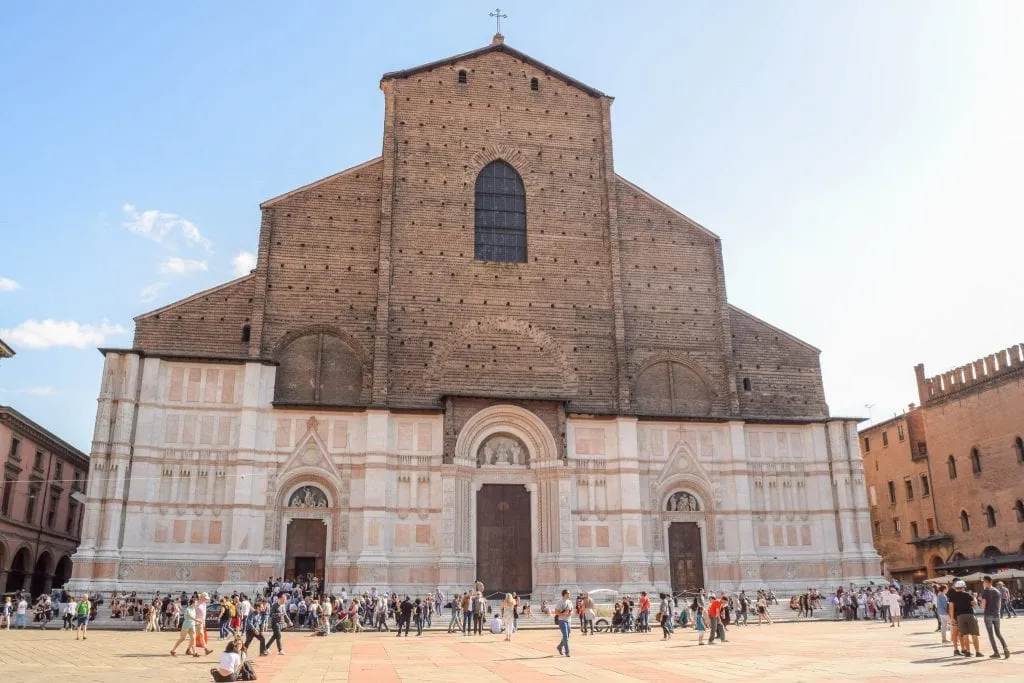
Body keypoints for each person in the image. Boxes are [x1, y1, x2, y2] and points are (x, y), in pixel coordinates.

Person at [948, 580, 982, 658]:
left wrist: (952, 618)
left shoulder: (952, 596)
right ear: (963, 587)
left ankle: (968, 652)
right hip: (970, 615)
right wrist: (975, 597)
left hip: (959, 617)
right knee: (974, 634)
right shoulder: (967, 595)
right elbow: (975, 604)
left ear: (956, 587)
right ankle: (977, 652)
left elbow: (951, 607)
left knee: (965, 635)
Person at [981, 576, 1010, 659]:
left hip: (988, 615)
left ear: (986, 582)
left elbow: (983, 605)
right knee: (998, 633)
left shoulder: (985, 591)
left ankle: (996, 652)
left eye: (983, 582)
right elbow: (999, 605)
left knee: (991, 635)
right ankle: (1005, 648)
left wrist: (981, 603)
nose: (983, 583)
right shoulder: (997, 591)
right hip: (996, 614)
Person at [554, 589, 573, 657]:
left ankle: (559, 646)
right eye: (568, 593)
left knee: (567, 636)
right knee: (565, 636)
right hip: (562, 620)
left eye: (569, 593)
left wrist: (570, 613)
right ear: (564, 594)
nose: (569, 595)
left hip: (568, 620)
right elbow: (556, 612)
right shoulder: (560, 602)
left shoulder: (570, 601)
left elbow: (571, 610)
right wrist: (563, 615)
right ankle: (567, 652)